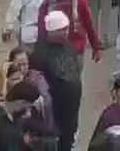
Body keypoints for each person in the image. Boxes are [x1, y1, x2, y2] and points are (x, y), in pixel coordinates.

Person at [31, 11, 83, 151]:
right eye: (62, 30)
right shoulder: (40, 53)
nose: (66, 32)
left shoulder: (68, 46)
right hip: (54, 112)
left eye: (67, 28)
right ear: (52, 32)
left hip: (71, 109)